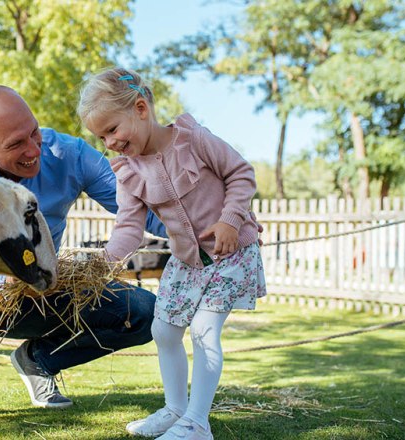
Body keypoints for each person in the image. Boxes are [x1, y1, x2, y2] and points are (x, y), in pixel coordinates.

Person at [0, 85, 168, 429]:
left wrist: (210, 227)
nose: (34, 150)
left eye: (34, 132)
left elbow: (142, 206)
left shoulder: (70, 155)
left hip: (44, 294)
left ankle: (39, 359)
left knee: (144, 313)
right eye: (16, 144)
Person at [77, 67, 267, 440]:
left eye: (113, 129)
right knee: (163, 330)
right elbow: (130, 226)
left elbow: (241, 174)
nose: (110, 141)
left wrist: (230, 220)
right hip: (187, 260)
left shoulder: (193, 139)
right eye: (101, 136)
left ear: (141, 108)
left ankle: (197, 423)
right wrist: (103, 262)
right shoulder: (128, 172)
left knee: (203, 331)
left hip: (231, 252)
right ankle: (176, 409)